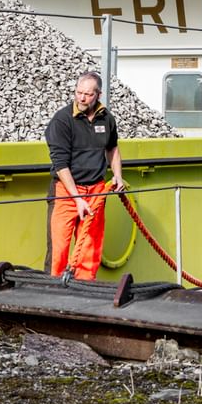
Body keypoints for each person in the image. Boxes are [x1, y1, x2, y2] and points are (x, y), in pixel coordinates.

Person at [44, 71, 124, 281]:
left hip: (96, 189)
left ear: (98, 94)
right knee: (59, 248)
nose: (81, 98)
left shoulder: (106, 118)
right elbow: (60, 164)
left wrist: (117, 175)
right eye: (79, 92)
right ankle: (52, 291)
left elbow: (112, 148)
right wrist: (77, 199)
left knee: (90, 247)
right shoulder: (62, 120)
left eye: (88, 94)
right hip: (66, 190)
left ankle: (85, 288)